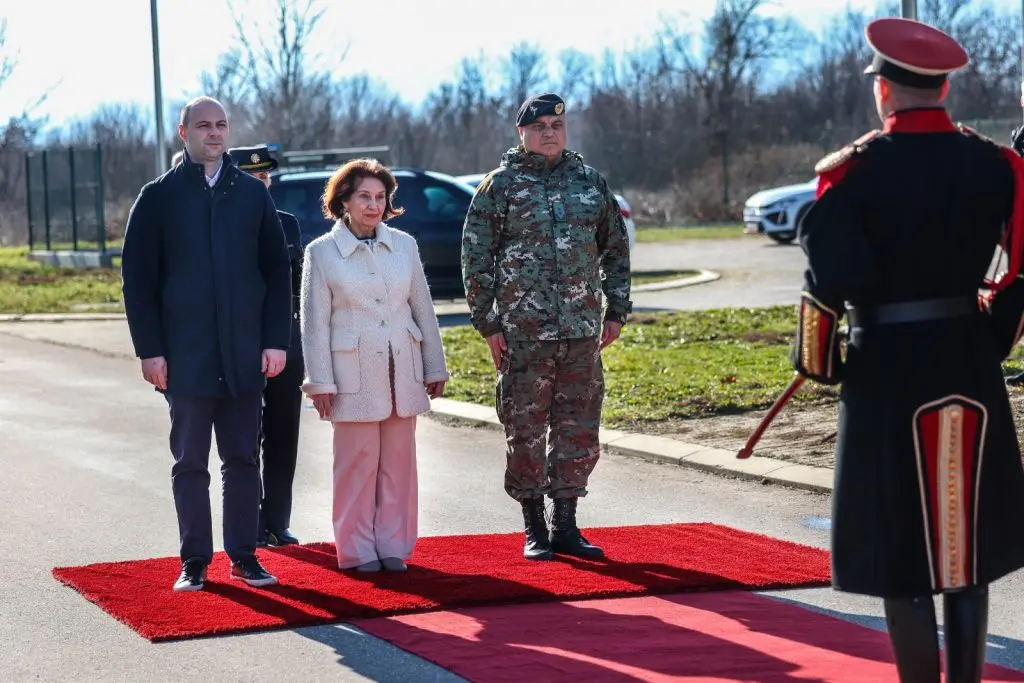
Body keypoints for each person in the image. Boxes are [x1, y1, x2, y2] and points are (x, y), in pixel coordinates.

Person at [792, 18, 1024, 683]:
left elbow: (823, 299)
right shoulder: (995, 163)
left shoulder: (852, 174)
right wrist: (990, 336)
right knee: (965, 541)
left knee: (901, 549)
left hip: (884, 372)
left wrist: (822, 364)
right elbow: (1019, 276)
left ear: (884, 93)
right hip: (968, 363)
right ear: (945, 86)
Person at [121, 96, 293, 592]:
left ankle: (244, 556)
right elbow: (138, 280)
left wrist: (274, 342)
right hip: (185, 358)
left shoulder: (251, 195)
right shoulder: (158, 197)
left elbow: (275, 272)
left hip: (243, 354)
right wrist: (149, 350)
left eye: (221, 125)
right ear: (184, 132)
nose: (214, 133)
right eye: (203, 125)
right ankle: (194, 561)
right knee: (190, 462)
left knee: (243, 459)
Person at [461, 92, 632, 562]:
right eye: (539, 127)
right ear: (522, 133)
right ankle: (534, 526)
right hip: (522, 333)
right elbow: (475, 259)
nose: (549, 133)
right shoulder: (500, 186)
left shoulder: (590, 183)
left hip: (580, 330)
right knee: (526, 429)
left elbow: (615, 250)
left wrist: (616, 309)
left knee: (579, 429)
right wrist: (488, 323)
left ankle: (567, 525)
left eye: (556, 125)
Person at [299, 157, 449, 573]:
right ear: (343, 201)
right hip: (350, 376)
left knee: (399, 466)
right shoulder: (322, 253)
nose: (373, 205)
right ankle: (357, 550)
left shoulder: (405, 245)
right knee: (356, 467)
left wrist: (434, 366)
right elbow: (314, 323)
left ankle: (394, 547)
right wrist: (319, 382)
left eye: (380, 197)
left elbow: (422, 307)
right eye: (364, 196)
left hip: (403, 369)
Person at [228, 144, 305, 547]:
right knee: (245, 437)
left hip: (284, 344)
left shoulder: (287, 224)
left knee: (282, 433)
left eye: (265, 177)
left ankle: (277, 519)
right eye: (252, 176)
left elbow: (296, 287)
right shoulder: (221, 225)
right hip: (240, 346)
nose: (261, 183)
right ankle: (250, 522)